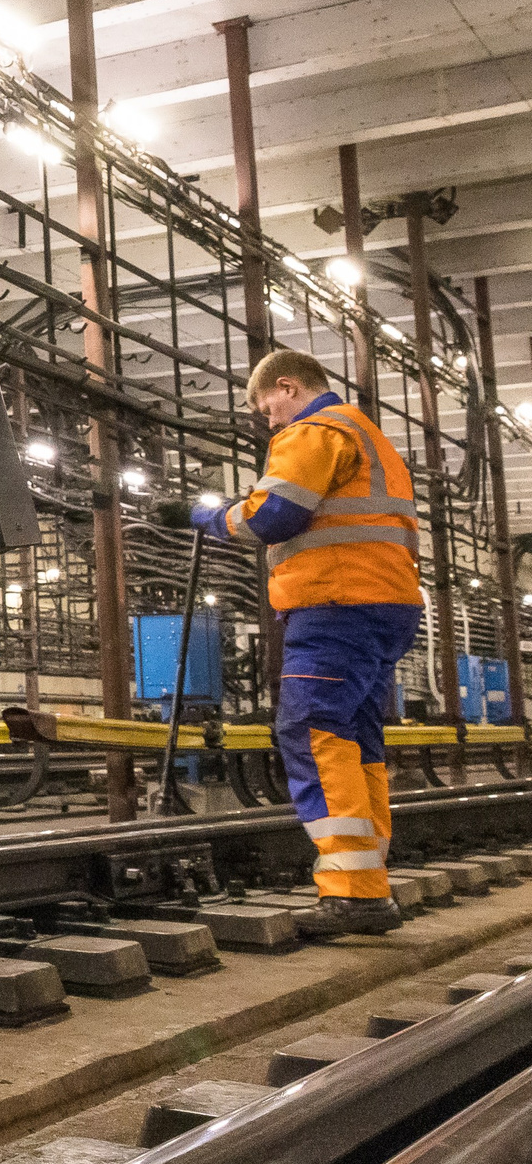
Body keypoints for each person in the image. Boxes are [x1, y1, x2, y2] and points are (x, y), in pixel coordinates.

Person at [181, 349, 419, 936]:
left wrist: (203, 517)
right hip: (386, 604)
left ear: (288, 387)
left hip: (336, 603)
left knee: (310, 729)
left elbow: (273, 518)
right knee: (355, 737)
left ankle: (353, 892)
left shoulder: (313, 430)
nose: (269, 423)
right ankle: (368, 882)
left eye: (267, 408)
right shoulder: (370, 436)